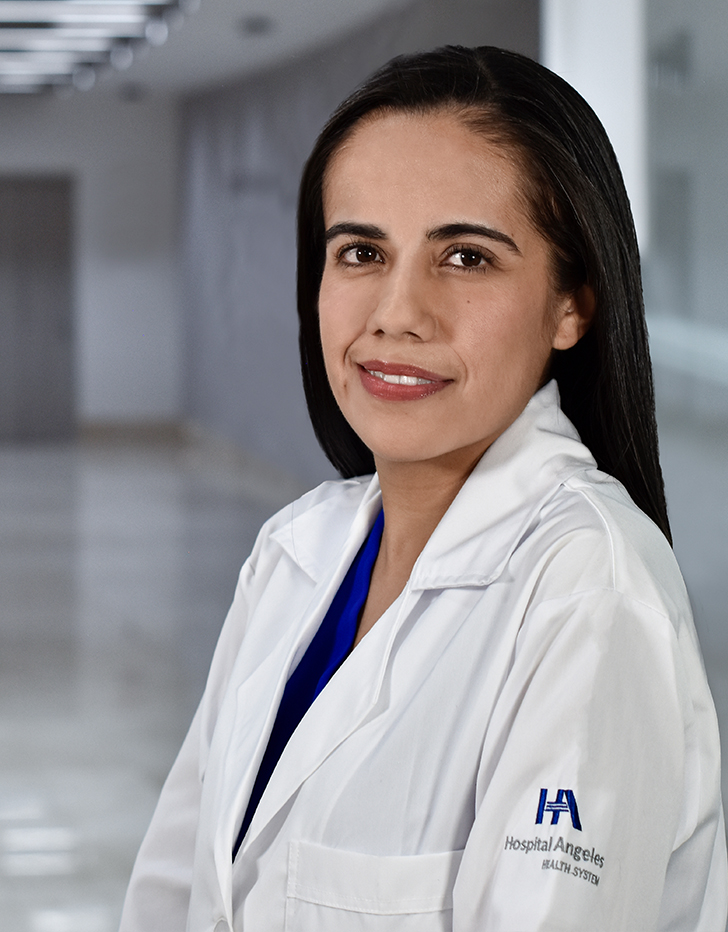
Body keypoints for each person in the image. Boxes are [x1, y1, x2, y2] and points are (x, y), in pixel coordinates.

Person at [120, 46, 727, 931]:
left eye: (466, 258)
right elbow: (175, 892)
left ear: (572, 304)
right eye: (361, 250)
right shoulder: (298, 551)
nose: (397, 312)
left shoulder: (587, 590)